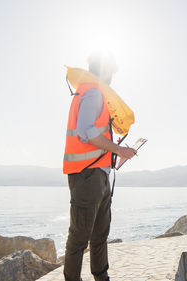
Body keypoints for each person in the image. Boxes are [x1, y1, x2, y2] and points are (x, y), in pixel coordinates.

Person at [62, 51, 136, 281]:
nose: (112, 77)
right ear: (105, 71)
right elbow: (87, 131)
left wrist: (115, 153)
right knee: (79, 237)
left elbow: (94, 135)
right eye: (111, 72)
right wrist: (119, 150)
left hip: (98, 173)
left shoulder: (92, 93)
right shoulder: (93, 93)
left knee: (100, 234)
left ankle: (101, 277)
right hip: (88, 175)